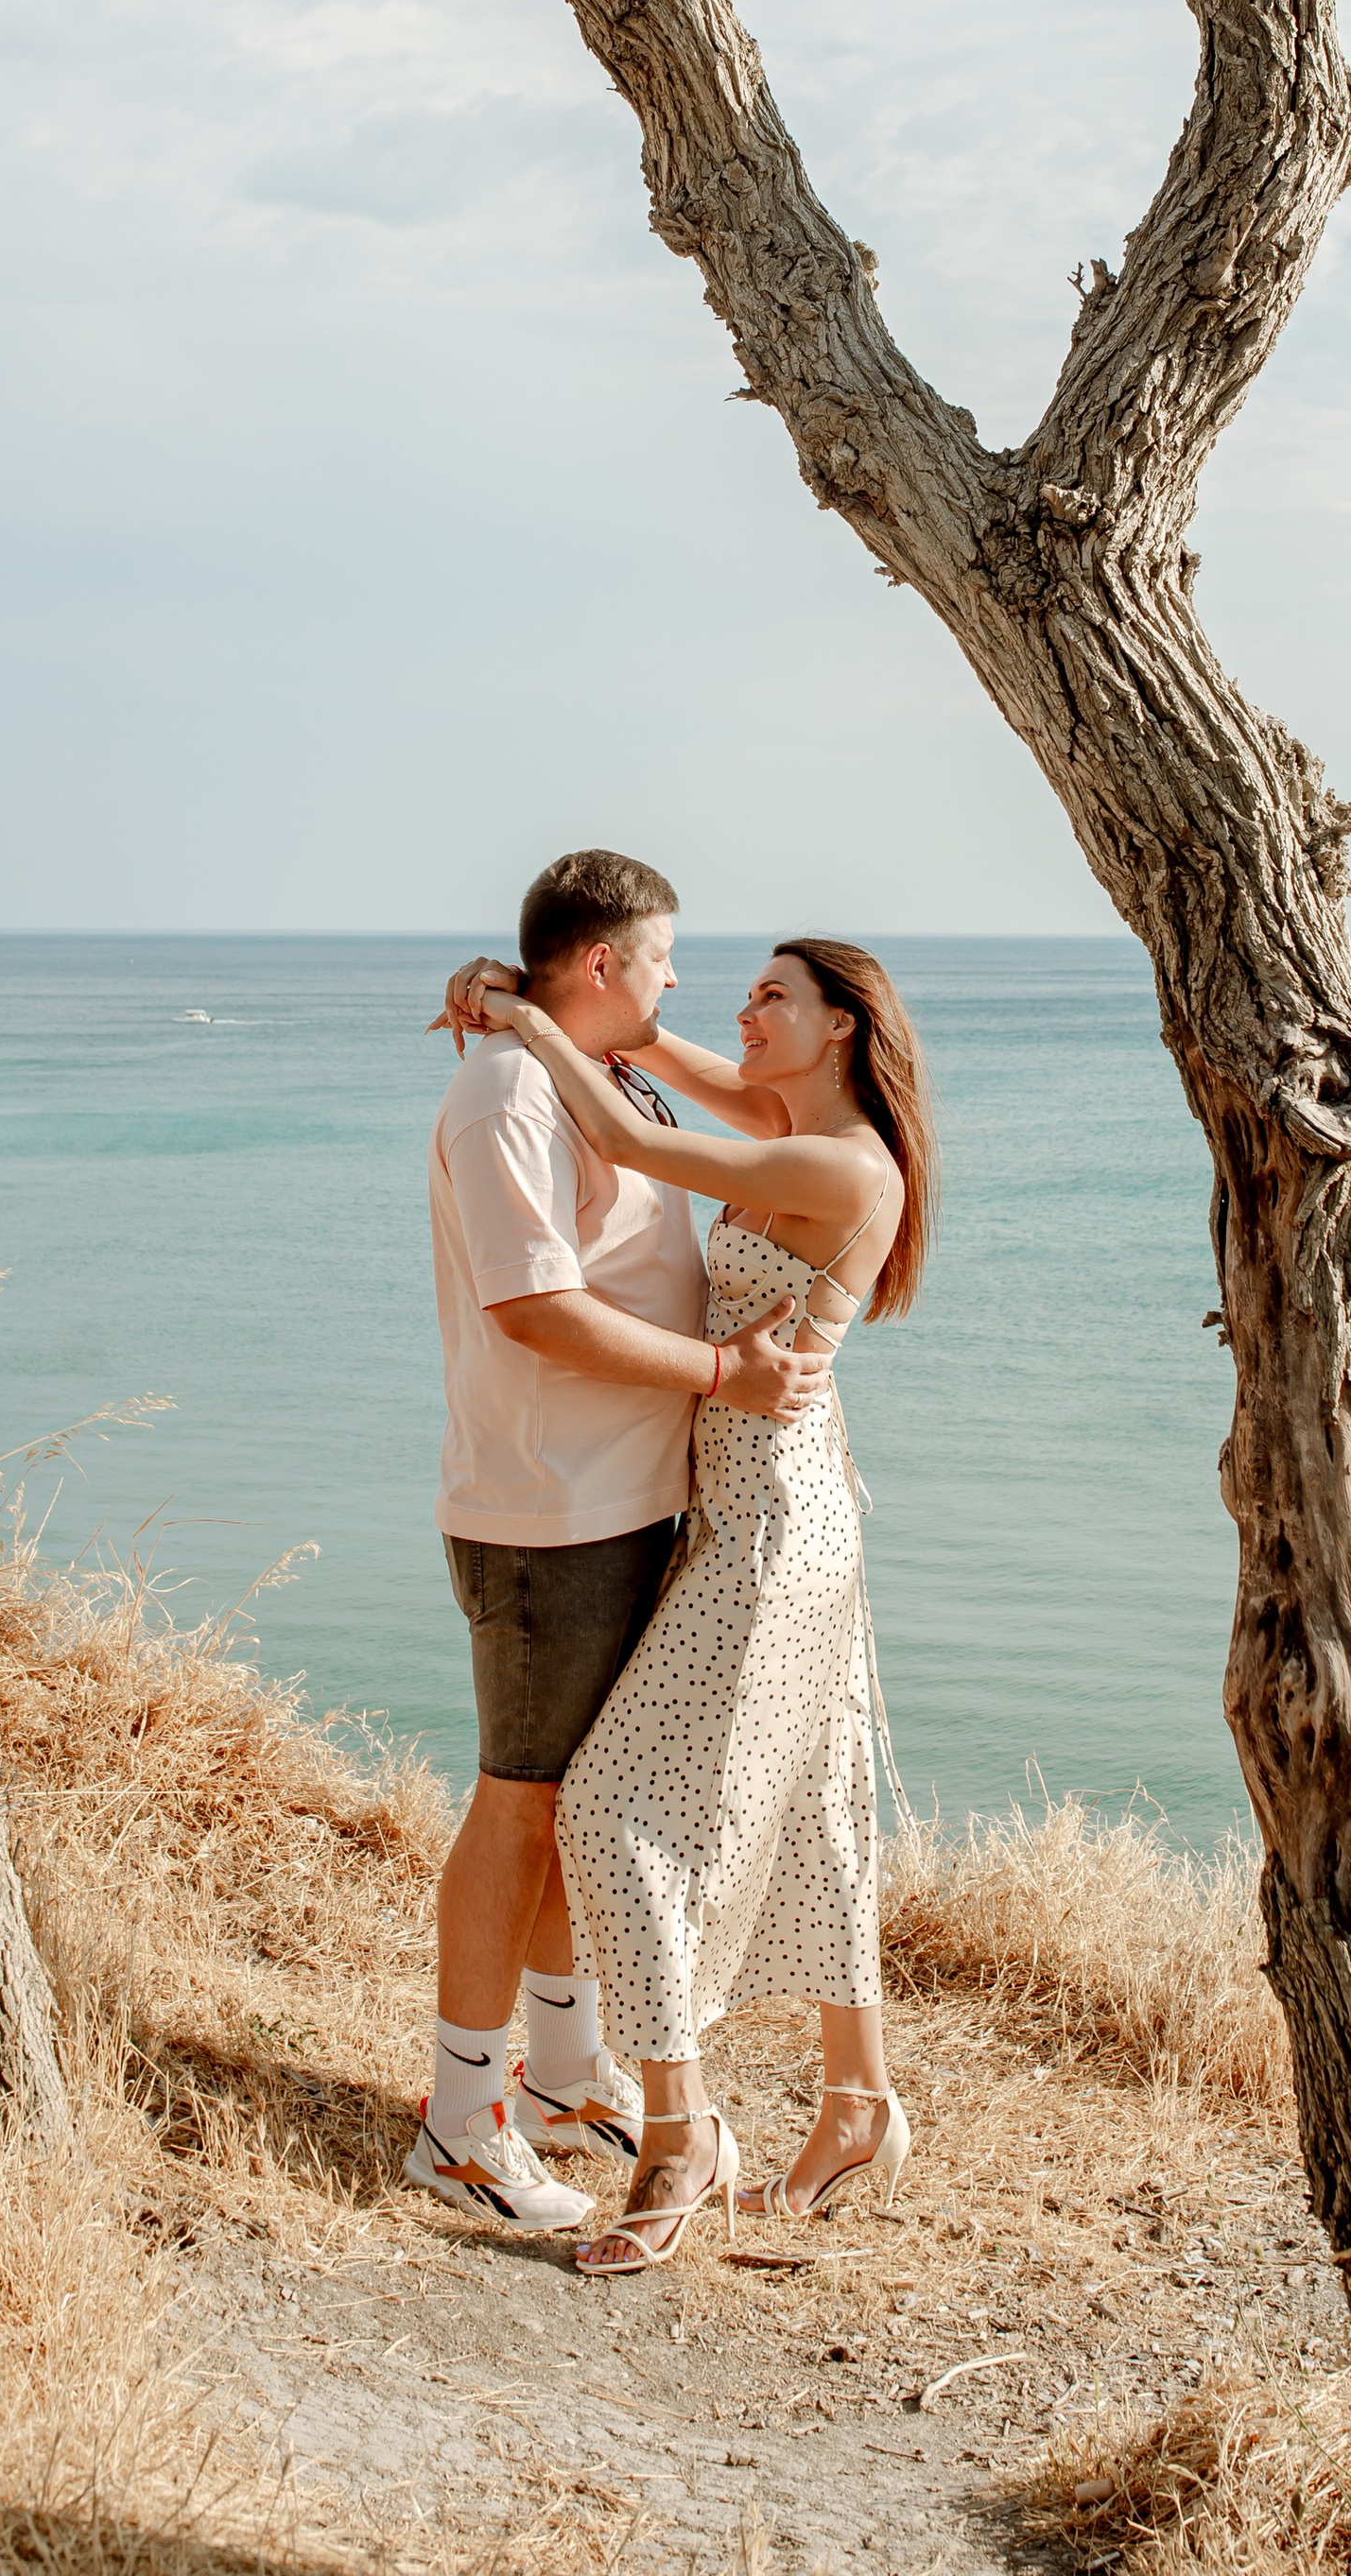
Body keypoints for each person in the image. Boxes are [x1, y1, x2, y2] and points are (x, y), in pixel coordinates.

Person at [453, 934, 937, 2277]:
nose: (743, 1008)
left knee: (610, 1808)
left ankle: (679, 2134)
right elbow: (649, 1057)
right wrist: (556, 994)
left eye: (775, 995)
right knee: (826, 1801)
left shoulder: (835, 1164)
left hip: (771, 1533)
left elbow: (623, 1126)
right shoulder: (789, 1122)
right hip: (772, 1508)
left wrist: (515, 1021)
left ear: (843, 1027)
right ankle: (857, 2101)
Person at [412, 850, 827, 2234]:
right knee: (522, 1805)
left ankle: (565, 2075)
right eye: (662, 960)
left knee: (588, 1811)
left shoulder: (604, 1075)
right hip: (550, 1512)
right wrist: (722, 1382)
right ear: (603, 964)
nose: (675, 982)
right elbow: (532, 1308)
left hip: (629, 1499)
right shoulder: (505, 1096)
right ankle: (463, 2122)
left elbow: (742, 1116)